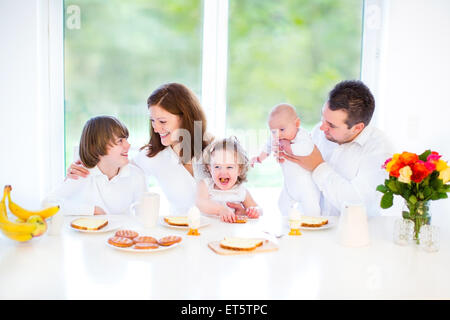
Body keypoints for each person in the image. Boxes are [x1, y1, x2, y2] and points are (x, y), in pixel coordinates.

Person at [67, 83, 219, 215]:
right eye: (152, 120)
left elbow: (238, 185)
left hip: (222, 227)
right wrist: (84, 166)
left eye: (162, 121)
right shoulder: (152, 156)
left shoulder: (215, 149)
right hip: (183, 234)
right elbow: (113, 165)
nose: (156, 128)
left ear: (185, 117)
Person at [280, 80, 393, 217]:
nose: (322, 127)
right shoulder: (319, 132)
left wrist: (318, 166)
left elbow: (356, 204)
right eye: (323, 118)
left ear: (357, 128)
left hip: (351, 233)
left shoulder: (378, 149)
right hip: (308, 226)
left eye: (332, 125)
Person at [43, 116, 147, 215]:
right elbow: (47, 204)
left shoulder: (136, 175)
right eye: (120, 141)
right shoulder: (81, 174)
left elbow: (145, 214)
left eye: (126, 139)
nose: (128, 145)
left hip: (122, 233)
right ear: (96, 147)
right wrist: (92, 211)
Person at [250, 103, 321, 216]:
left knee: (312, 209)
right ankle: (290, 224)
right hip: (289, 186)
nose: (277, 134)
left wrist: (288, 147)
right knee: (282, 205)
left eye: (282, 129)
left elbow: (307, 148)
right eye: (273, 131)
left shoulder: (302, 136)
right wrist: (259, 158)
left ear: (296, 124)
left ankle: (314, 223)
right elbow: (268, 146)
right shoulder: (277, 137)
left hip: (306, 187)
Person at [196, 137, 262, 223]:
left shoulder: (241, 190)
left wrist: (254, 211)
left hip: (232, 234)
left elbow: (258, 209)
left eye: (229, 167)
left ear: (239, 169)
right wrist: (220, 210)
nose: (223, 172)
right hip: (208, 231)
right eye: (217, 167)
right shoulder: (205, 185)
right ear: (209, 168)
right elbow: (200, 203)